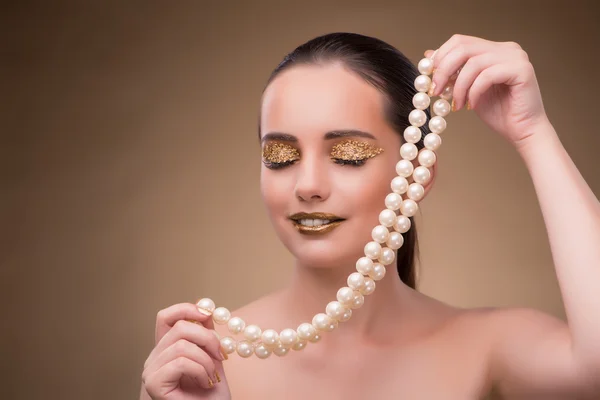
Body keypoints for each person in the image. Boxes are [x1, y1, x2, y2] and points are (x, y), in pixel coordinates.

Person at [139, 32, 600, 399]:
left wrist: (532, 134)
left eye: (349, 154)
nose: (308, 185)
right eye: (280, 155)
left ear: (418, 173)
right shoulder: (205, 359)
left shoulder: (489, 346)